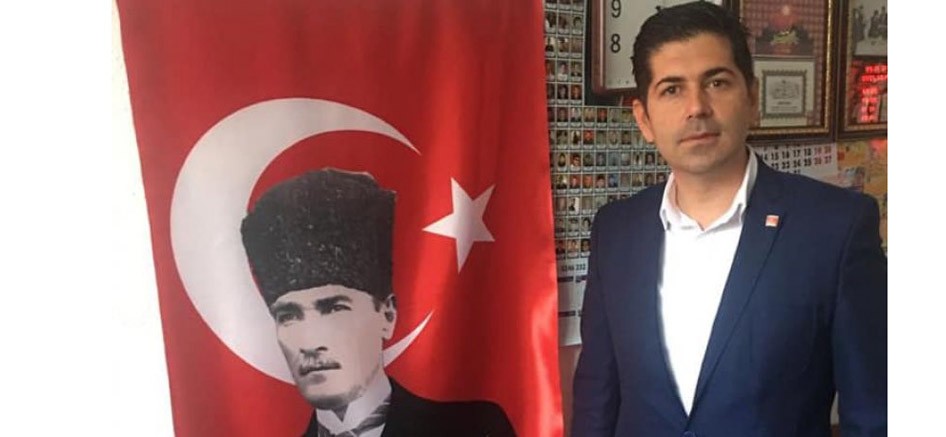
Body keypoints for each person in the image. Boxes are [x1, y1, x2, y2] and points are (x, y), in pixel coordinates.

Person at [571, 3, 886, 437]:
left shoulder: (836, 228)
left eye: (716, 82)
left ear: (752, 98)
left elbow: (874, 413)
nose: (696, 107)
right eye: (672, 89)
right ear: (644, 118)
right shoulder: (616, 230)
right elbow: (597, 395)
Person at [240, 169, 516, 437]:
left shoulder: (475, 429)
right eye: (288, 315)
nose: (310, 343)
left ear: (388, 315)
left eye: (334, 308)